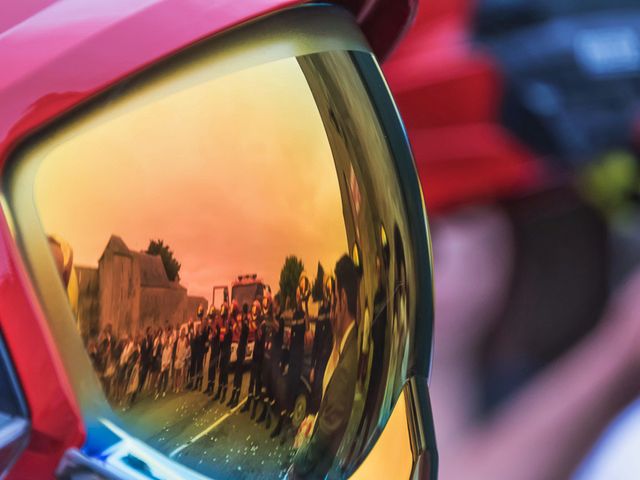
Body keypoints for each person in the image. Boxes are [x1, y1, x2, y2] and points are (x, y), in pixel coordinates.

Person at [288, 254, 359, 479]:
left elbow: (328, 431)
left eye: (333, 296)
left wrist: (296, 462)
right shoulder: (345, 342)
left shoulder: (348, 361)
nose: (329, 311)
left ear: (343, 299)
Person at [310, 276, 335, 400]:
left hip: (330, 357)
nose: (328, 290)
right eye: (327, 287)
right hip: (320, 358)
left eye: (331, 287)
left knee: (327, 390)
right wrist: (312, 367)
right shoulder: (321, 311)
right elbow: (316, 339)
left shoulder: (334, 309)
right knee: (317, 388)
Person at [243, 299, 265, 417]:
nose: (253, 309)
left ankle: (255, 407)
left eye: (255, 307)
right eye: (253, 307)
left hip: (261, 354)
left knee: (257, 382)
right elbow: (250, 332)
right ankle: (248, 403)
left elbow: (260, 335)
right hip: (255, 353)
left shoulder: (262, 320)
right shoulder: (254, 319)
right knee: (251, 380)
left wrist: (254, 323)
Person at [228, 302, 250, 408]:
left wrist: (238, 323)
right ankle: (233, 396)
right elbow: (236, 331)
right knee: (236, 373)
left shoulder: (246, 321)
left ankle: (236, 398)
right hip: (238, 347)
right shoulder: (242, 320)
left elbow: (243, 332)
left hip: (241, 349)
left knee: (239, 374)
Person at [214, 302, 233, 403]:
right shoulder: (221, 322)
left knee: (225, 373)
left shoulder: (229, 323)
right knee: (221, 372)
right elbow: (219, 335)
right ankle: (219, 391)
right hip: (222, 350)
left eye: (223, 309)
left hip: (227, 350)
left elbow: (229, 336)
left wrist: (227, 326)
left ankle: (224, 394)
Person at [205, 306, 221, 395]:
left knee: (213, 368)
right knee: (210, 368)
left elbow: (217, 334)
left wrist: (212, 326)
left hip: (217, 348)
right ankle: (208, 386)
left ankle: (212, 388)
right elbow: (210, 335)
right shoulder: (211, 324)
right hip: (213, 347)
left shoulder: (217, 324)